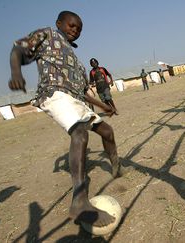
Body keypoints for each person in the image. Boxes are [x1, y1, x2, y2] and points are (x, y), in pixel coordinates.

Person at [8, 11, 122, 227]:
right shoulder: (47, 35)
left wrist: (104, 106)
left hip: (76, 101)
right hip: (55, 94)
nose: (75, 30)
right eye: (71, 26)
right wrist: (16, 73)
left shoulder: (76, 62)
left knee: (107, 132)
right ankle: (79, 201)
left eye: (79, 29)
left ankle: (116, 165)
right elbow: (18, 48)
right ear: (59, 23)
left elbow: (83, 93)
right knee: (79, 134)